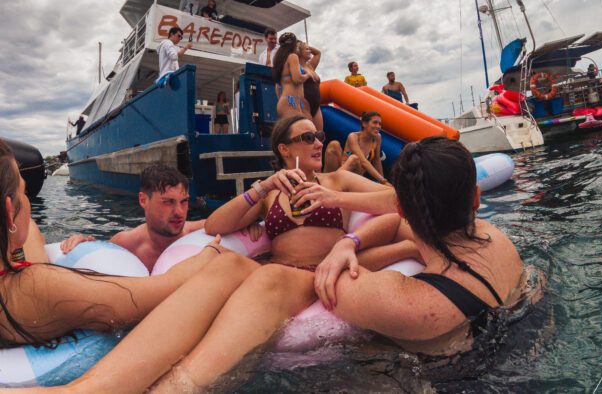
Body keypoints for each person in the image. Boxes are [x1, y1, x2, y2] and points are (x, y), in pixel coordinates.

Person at [40, 116, 408, 392]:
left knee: (269, 277)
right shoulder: (270, 192)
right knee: (226, 261)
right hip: (281, 267)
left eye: (319, 136)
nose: (318, 142)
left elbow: (396, 200)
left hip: (317, 275)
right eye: (308, 137)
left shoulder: (336, 181)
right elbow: (216, 224)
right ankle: (97, 384)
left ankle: (175, 388)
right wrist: (261, 188)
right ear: (284, 149)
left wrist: (334, 199)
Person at [0, 139, 257, 380]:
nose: (178, 211)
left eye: (184, 202)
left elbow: (32, 237)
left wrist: (249, 227)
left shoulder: (24, 271)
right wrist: (212, 256)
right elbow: (152, 293)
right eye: (25, 193)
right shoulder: (41, 283)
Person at [314, 137, 526, 354]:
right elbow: (395, 223)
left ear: (401, 209)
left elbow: (325, 276)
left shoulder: (403, 301)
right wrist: (352, 241)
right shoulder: (497, 238)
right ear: (476, 198)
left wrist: (342, 246)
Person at [59, 164, 206, 271]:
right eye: (168, 202)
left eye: (184, 201)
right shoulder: (126, 244)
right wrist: (85, 243)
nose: (179, 212)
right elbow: (98, 257)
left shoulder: (201, 231)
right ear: (143, 200)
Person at [324, 111, 387, 184]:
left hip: (356, 176)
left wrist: (383, 183)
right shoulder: (353, 137)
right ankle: (326, 180)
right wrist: (382, 180)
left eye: (380, 124)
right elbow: (363, 161)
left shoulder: (377, 138)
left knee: (355, 160)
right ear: (364, 124)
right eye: (375, 122)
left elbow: (377, 160)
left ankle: (334, 182)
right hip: (343, 169)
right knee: (334, 145)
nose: (378, 126)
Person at [273, 32, 310, 119]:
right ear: (293, 44)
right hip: (291, 102)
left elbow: (277, 88)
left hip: (286, 101)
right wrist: (308, 75)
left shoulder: (279, 60)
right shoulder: (292, 56)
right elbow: (298, 79)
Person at [298, 41, 323, 131]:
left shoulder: (310, 66)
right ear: (299, 52)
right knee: (309, 135)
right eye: (307, 49)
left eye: (309, 49)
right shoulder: (296, 67)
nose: (310, 51)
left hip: (316, 106)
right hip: (304, 106)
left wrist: (305, 46)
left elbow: (318, 53)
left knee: (319, 135)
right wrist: (298, 47)